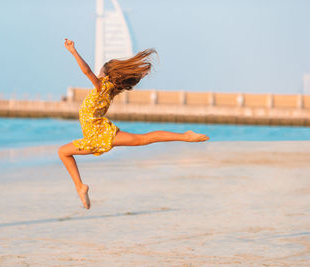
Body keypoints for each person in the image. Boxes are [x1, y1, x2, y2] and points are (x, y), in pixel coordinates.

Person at [58, 38, 209, 209]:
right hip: (99, 134)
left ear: (106, 75)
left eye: (100, 70)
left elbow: (86, 71)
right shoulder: (112, 90)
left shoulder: (102, 87)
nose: (97, 72)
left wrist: (73, 51)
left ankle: (79, 186)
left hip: (97, 135)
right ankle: (185, 136)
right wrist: (136, 75)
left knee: (63, 152)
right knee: (142, 139)